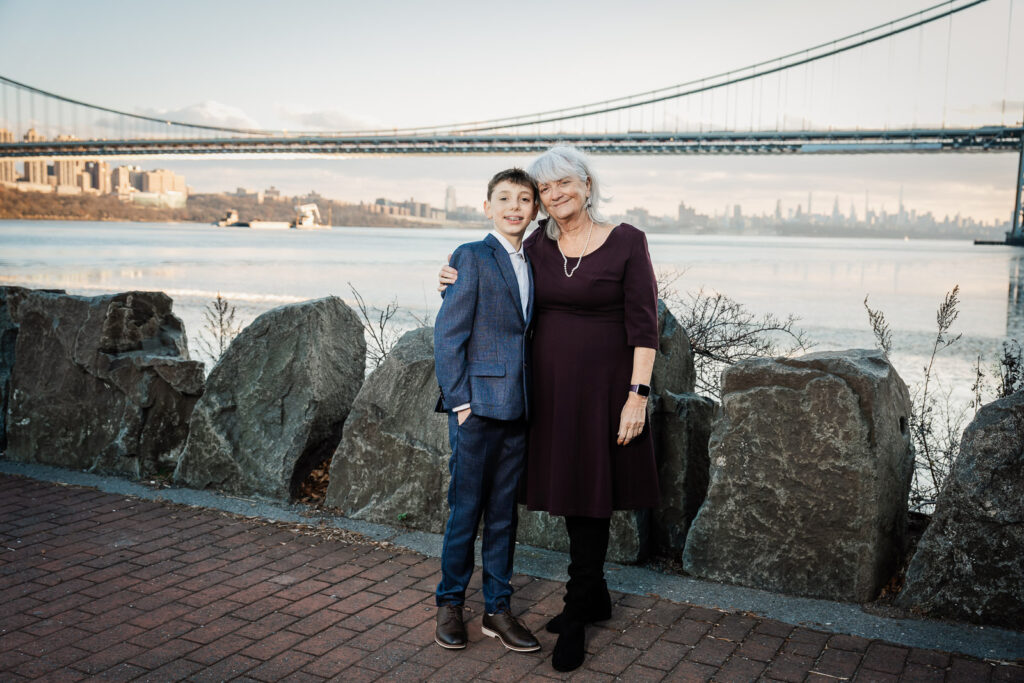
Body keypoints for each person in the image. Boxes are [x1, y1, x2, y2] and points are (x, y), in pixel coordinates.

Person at [439, 146, 660, 672]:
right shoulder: (538, 244)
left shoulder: (627, 241)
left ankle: (576, 609)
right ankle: (588, 593)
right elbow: (491, 273)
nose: (554, 194)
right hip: (544, 394)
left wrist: (638, 396)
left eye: (564, 183)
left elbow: (644, 325)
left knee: (589, 494)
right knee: (558, 494)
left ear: (587, 185)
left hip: (604, 393)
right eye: (545, 188)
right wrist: (449, 277)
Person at [432, 168, 542, 654]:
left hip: (519, 408)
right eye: (504, 199)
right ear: (487, 207)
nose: (514, 207)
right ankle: (450, 603)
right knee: (465, 511)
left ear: (535, 210)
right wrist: (460, 403)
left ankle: (498, 609)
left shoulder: (536, 262)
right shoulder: (472, 256)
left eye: (524, 199)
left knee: (503, 515)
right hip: (475, 409)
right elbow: (448, 335)